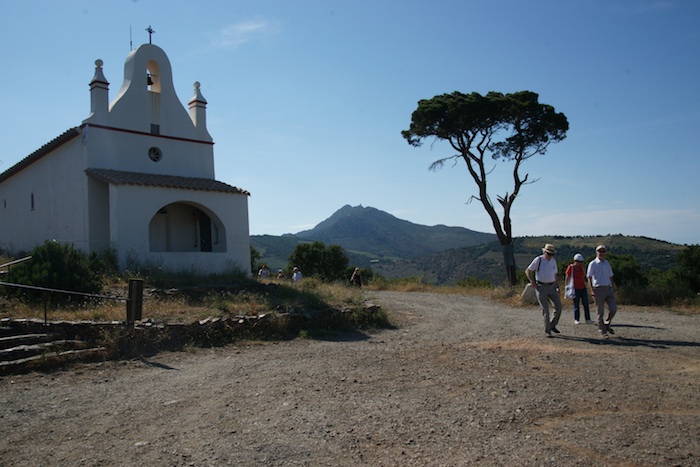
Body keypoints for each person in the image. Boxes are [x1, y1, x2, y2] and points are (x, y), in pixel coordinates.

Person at [525, 243, 563, 337]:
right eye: (549, 254)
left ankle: (552, 325)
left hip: (552, 286)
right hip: (541, 287)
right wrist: (532, 281)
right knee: (545, 310)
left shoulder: (553, 261)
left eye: (552, 254)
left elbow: (555, 275)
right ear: (545, 252)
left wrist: (557, 286)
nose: (550, 256)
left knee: (559, 307)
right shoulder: (539, 260)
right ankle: (548, 330)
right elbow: (528, 271)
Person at [587, 245, 617, 337]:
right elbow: (589, 277)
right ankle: (602, 330)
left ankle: (607, 323)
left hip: (608, 288)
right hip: (598, 288)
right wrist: (591, 289)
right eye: (600, 251)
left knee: (613, 308)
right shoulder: (593, 263)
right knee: (600, 311)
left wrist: (613, 286)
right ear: (596, 252)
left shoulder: (607, 263)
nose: (602, 253)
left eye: (603, 251)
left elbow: (610, 275)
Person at [565, 253, 592, 324]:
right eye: (579, 262)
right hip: (575, 288)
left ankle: (588, 319)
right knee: (576, 304)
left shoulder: (581, 268)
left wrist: (583, 268)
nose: (580, 263)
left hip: (582, 287)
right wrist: (567, 286)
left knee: (585, 303)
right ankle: (576, 319)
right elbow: (567, 276)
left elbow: (584, 275)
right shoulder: (571, 267)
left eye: (581, 262)